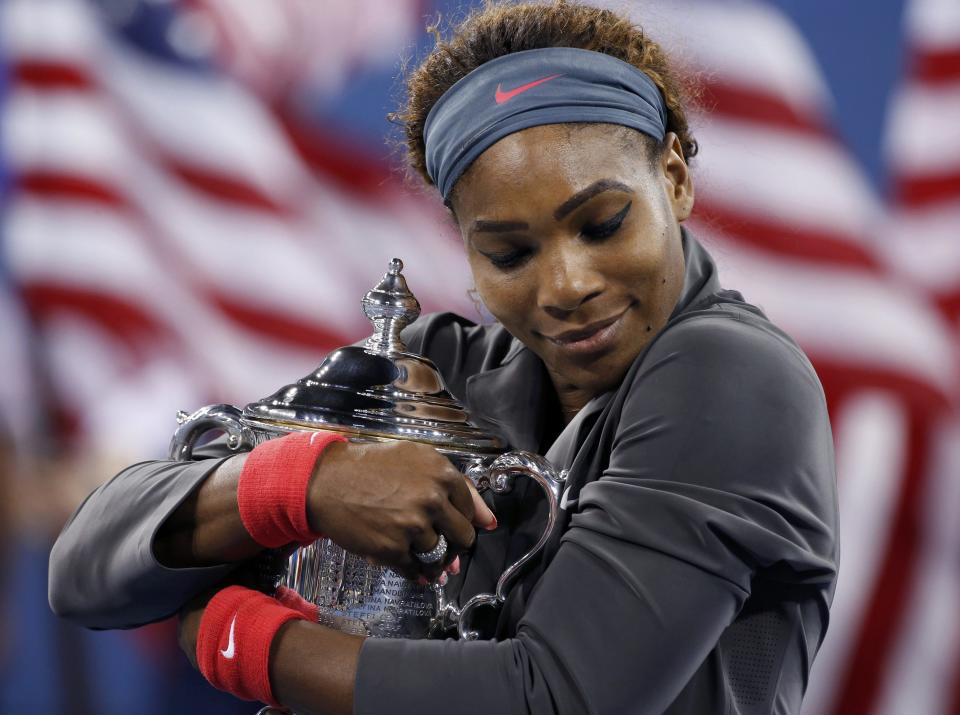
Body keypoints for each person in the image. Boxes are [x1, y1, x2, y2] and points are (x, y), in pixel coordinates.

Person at [48, 2, 839, 713]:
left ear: (674, 177)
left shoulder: (735, 374)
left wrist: (246, 644)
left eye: (602, 225)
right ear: (462, 248)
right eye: (509, 252)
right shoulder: (437, 367)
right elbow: (83, 571)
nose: (566, 285)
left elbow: (554, 697)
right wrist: (299, 484)